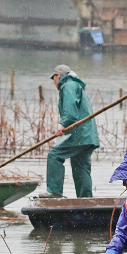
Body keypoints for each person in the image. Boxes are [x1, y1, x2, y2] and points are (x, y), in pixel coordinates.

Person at [39, 65, 99, 198]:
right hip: (88, 136)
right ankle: (86, 202)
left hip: (79, 134)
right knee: (80, 168)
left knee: (55, 155)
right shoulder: (75, 85)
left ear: (58, 76)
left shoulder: (68, 85)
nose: (54, 81)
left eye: (53, 78)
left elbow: (70, 112)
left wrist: (62, 125)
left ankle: (54, 192)